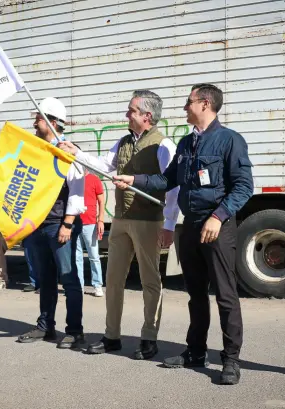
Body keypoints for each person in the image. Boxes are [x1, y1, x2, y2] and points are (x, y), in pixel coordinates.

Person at [113, 84, 253, 384]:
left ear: (204, 104)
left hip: (217, 227)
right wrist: (133, 179)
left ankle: (230, 360)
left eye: (188, 103)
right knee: (196, 294)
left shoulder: (230, 141)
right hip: (190, 227)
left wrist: (218, 216)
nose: (184, 108)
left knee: (225, 295)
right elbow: (167, 179)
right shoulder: (188, 143)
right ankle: (195, 351)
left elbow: (243, 187)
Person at [58, 90, 180, 360]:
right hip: (122, 219)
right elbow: (104, 165)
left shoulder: (163, 145)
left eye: (132, 110)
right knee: (113, 280)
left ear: (147, 116)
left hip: (149, 220)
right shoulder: (124, 141)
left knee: (150, 281)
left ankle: (149, 337)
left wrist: (170, 223)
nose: (127, 114)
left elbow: (173, 188)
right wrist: (78, 153)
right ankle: (111, 336)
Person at [17, 97, 86, 349]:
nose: (35, 122)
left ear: (52, 121)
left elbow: (77, 190)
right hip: (37, 224)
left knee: (69, 279)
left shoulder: (67, 150)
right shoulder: (36, 150)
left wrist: (67, 224)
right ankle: (46, 327)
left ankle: (75, 331)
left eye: (38, 118)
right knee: (45, 279)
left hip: (59, 224)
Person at [76, 169, 105, 297]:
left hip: (90, 223)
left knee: (94, 256)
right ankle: (79, 286)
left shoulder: (94, 179)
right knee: (77, 258)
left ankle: (97, 285)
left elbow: (101, 201)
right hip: (74, 224)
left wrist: (101, 220)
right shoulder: (73, 179)